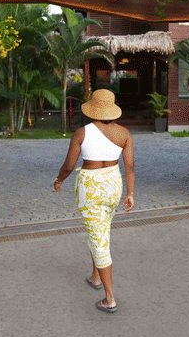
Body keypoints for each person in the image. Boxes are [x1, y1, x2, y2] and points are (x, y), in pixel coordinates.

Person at [53, 89, 135, 313]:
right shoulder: (124, 134)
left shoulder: (82, 133)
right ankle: (95, 277)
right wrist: (130, 193)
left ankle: (110, 299)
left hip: (90, 187)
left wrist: (59, 180)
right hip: (113, 184)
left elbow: (69, 165)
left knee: (98, 238)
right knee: (99, 229)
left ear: (93, 110)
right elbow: (129, 167)